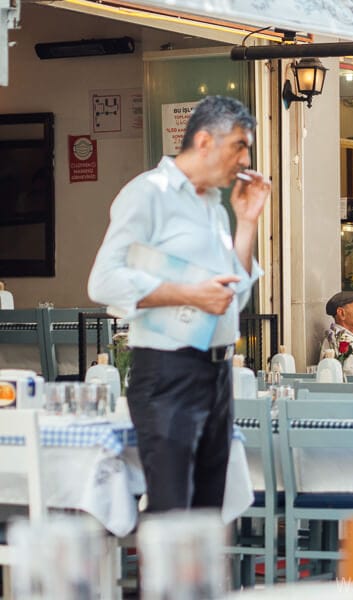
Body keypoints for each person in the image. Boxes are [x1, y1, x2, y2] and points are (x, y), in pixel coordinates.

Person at [88, 96, 270, 512]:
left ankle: (202, 581)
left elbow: (232, 297)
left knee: (208, 513)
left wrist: (246, 221)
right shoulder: (148, 193)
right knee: (173, 513)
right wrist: (188, 293)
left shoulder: (213, 206)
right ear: (204, 141)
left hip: (217, 371)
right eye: (239, 146)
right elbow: (102, 281)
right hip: (168, 370)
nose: (244, 160)